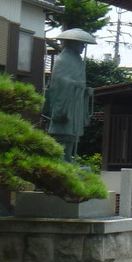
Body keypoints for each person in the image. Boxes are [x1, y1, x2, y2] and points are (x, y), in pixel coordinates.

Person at [43, 29, 96, 162]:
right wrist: (75, 84)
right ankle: (60, 157)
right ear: (72, 43)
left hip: (76, 99)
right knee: (63, 131)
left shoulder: (78, 60)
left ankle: (69, 157)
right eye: (81, 44)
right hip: (65, 100)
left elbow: (79, 82)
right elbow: (58, 80)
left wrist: (85, 90)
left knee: (73, 132)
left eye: (84, 45)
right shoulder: (62, 59)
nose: (83, 47)